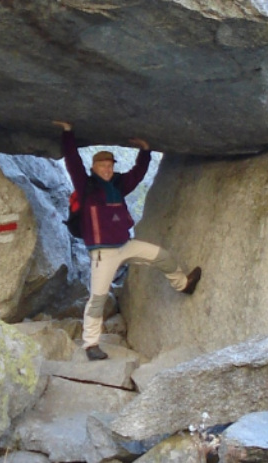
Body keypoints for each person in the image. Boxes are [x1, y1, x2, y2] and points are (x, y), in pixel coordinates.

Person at [53, 120, 201, 361]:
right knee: (98, 298)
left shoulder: (119, 185)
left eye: (110, 165)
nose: (107, 169)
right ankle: (91, 344)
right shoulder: (86, 186)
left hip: (125, 245)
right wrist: (68, 134)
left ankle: (183, 284)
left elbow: (138, 174)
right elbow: (72, 162)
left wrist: (145, 151)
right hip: (103, 253)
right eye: (102, 165)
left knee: (162, 256)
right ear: (94, 167)